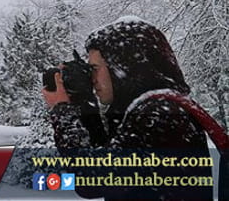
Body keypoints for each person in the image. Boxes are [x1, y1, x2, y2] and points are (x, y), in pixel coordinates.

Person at [42, 17, 213, 200]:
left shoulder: (159, 115)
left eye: (95, 69)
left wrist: (62, 110)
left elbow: (91, 180)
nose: (92, 78)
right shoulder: (150, 109)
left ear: (121, 67)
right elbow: (101, 155)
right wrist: (84, 100)